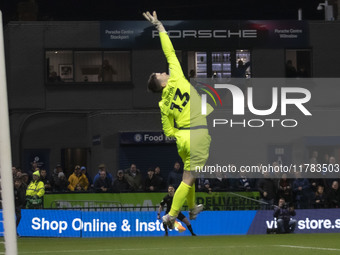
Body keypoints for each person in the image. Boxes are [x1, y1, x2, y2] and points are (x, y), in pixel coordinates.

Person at [143, 11, 213, 229]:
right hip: (198, 133)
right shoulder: (176, 78)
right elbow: (169, 50)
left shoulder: (163, 104)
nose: (163, 72)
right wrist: (160, 27)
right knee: (189, 178)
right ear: (162, 83)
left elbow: (167, 130)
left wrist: (181, 135)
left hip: (183, 139)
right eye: (159, 74)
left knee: (189, 173)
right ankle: (172, 216)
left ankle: (192, 209)